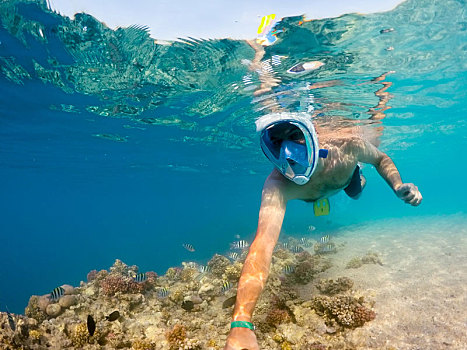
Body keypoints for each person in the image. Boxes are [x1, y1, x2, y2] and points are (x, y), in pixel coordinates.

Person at [224, 46, 422, 350]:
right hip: (315, 194)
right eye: (277, 143)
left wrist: (397, 186)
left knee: (356, 192)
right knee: (320, 201)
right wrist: (241, 322)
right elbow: (262, 244)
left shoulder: (348, 146)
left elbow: (381, 158)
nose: (289, 153)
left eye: (296, 138)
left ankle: (357, 180)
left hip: (345, 178)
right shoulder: (277, 184)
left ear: (313, 135)